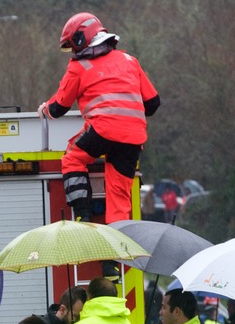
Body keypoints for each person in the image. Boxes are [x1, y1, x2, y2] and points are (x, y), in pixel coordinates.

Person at [37, 12, 160, 224]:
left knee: (73, 159)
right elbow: (153, 104)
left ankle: (83, 216)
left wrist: (44, 109)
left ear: (82, 39)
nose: (74, 51)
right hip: (133, 138)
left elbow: (59, 108)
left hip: (102, 129)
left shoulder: (79, 66)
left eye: (73, 45)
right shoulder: (130, 61)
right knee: (119, 200)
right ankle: (114, 257)